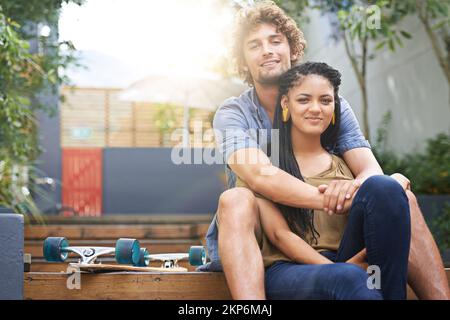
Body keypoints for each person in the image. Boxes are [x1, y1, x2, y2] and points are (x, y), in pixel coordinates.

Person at [198, 1, 450, 300]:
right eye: (254, 45)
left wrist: (372, 190)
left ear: (292, 49)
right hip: (266, 242)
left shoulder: (333, 104)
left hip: (336, 239)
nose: (267, 50)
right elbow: (261, 176)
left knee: (398, 195)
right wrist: (335, 198)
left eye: (275, 41)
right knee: (236, 198)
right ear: (243, 59)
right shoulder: (235, 114)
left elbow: (369, 170)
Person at [235, 61, 410, 299]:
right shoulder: (266, 168)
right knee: (351, 278)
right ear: (285, 104)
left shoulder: (349, 166)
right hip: (288, 269)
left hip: (347, 259)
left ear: (335, 107)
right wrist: (338, 268)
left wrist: (395, 182)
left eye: (325, 100)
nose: (316, 108)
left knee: (384, 186)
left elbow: (381, 215)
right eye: (304, 100)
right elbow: (279, 235)